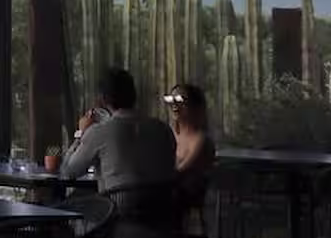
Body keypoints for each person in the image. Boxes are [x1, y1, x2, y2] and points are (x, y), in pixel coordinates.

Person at [60, 68, 178, 202]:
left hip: (116, 213)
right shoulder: (162, 128)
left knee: (71, 201)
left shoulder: (98, 132)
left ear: (103, 99)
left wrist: (81, 133)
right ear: (134, 95)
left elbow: (68, 172)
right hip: (162, 214)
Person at [167, 82, 216, 203]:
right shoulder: (168, 133)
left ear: (195, 106)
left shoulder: (201, 140)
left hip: (181, 198)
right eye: (171, 99)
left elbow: (181, 173)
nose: (174, 105)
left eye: (180, 100)